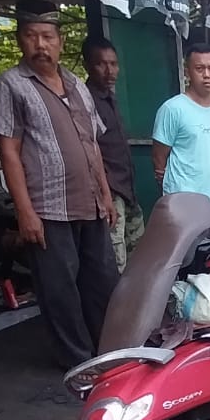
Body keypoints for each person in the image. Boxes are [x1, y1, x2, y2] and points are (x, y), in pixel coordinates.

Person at [0, 0, 119, 368]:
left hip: (91, 204)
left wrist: (106, 195)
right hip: (48, 209)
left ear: (60, 41)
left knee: (102, 282)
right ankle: (78, 361)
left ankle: (108, 352)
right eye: (31, 36)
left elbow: (92, 144)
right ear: (20, 40)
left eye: (47, 36)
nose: (40, 45)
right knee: (59, 290)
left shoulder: (76, 85)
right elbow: (9, 151)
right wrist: (25, 212)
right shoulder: (10, 85)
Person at [81, 36, 143, 272]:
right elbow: (90, 149)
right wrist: (104, 193)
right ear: (88, 65)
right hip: (109, 191)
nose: (110, 71)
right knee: (116, 261)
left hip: (127, 187)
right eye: (101, 64)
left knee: (139, 257)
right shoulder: (85, 100)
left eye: (114, 64)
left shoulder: (110, 98)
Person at [153, 44, 210, 215]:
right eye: (199, 69)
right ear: (187, 72)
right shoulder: (172, 109)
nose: (206, 75)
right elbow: (159, 157)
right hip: (184, 199)